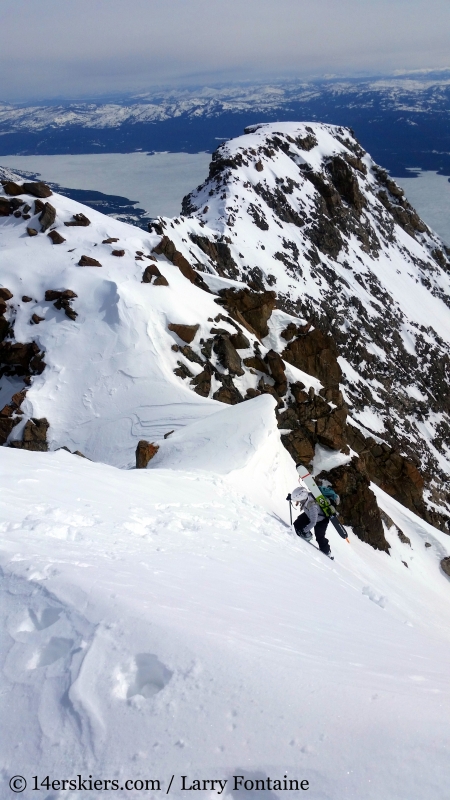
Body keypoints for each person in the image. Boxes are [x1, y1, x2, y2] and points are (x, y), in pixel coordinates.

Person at [290, 483, 336, 557]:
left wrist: (305, 530)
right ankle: (305, 534)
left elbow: (313, 522)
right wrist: (291, 497)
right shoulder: (307, 496)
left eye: (297, 500)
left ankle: (327, 552)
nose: (297, 501)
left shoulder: (312, 506)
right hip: (309, 514)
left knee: (319, 537)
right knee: (297, 524)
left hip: (321, 520)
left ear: (301, 498)